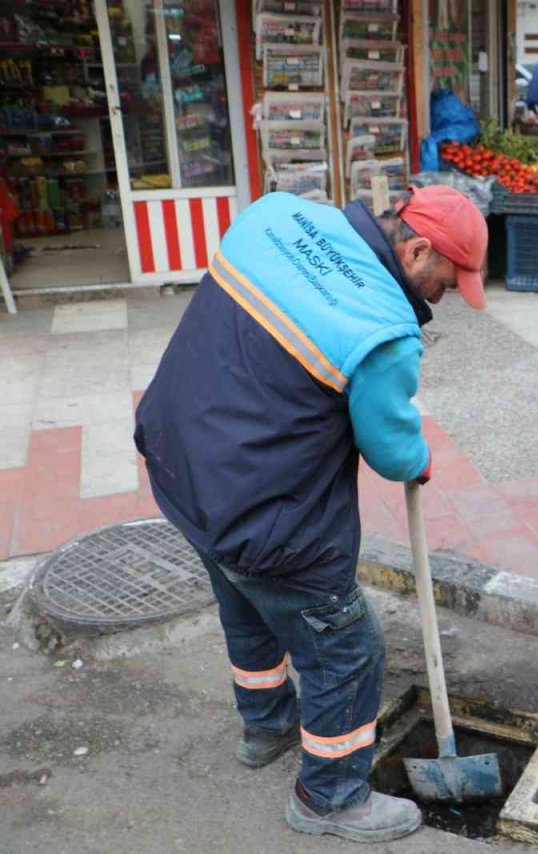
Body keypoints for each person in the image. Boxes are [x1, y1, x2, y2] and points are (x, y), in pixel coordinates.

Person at [134, 185, 488, 843]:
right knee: (349, 651)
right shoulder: (384, 330)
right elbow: (391, 449)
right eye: (447, 280)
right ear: (416, 250)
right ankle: (330, 797)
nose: (443, 298)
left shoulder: (274, 216)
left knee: (247, 605)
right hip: (261, 513)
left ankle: (266, 726)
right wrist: (418, 460)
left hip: (181, 466)